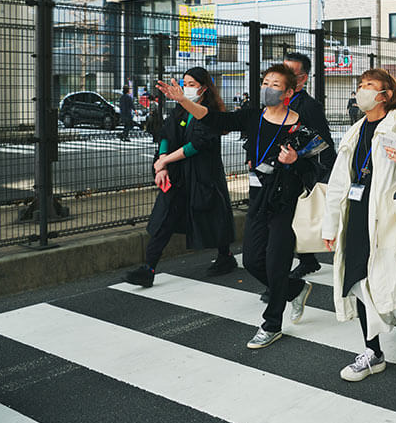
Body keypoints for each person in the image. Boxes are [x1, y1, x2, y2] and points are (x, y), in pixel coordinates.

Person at [157, 64, 324, 349]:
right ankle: (294, 289)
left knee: (275, 262)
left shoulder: (302, 127)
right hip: (259, 197)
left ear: (289, 92)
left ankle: (271, 324)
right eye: (265, 82)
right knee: (252, 261)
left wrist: (295, 160)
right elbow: (214, 119)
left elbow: (320, 164)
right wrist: (184, 101)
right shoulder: (252, 117)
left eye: (275, 85)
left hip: (286, 200)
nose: (267, 88)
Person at [321, 69, 396, 382]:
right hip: (357, 216)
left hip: (390, 219)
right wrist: (330, 225)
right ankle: (372, 352)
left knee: (395, 280)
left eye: (369, 86)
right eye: (360, 86)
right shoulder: (355, 131)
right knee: (359, 282)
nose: (362, 91)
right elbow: (337, 182)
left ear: (386, 94)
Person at [125, 67, 236, 288]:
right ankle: (149, 268)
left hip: (204, 176)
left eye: (192, 84)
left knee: (214, 217)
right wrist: (162, 164)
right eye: (185, 83)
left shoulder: (209, 112)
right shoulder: (180, 110)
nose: (187, 88)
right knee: (164, 218)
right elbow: (167, 134)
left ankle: (225, 256)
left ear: (204, 88)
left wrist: (165, 161)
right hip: (178, 175)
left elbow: (197, 145)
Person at [282, 52, 337, 283]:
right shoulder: (276, 100)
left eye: (289, 74)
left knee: (297, 214)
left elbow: (323, 141)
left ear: (303, 79)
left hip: (302, 169)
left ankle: (302, 262)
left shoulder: (308, 106)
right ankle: (306, 260)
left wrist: (299, 155)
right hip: (281, 168)